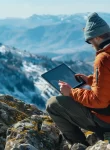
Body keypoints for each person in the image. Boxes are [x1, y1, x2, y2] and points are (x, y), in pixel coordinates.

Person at [46, 12, 110, 146]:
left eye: (89, 40)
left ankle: (79, 145)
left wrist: (71, 92)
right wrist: (91, 81)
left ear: (97, 37)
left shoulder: (103, 58)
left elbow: (100, 102)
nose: (91, 44)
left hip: (106, 120)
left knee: (53, 104)